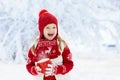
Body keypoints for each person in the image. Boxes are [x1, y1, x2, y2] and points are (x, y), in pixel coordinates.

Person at [26, 9, 74, 80]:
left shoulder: (61, 44)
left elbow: (69, 64)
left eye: (54, 27)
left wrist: (58, 69)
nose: (51, 30)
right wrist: (35, 70)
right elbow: (29, 65)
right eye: (47, 28)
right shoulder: (35, 46)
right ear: (42, 29)